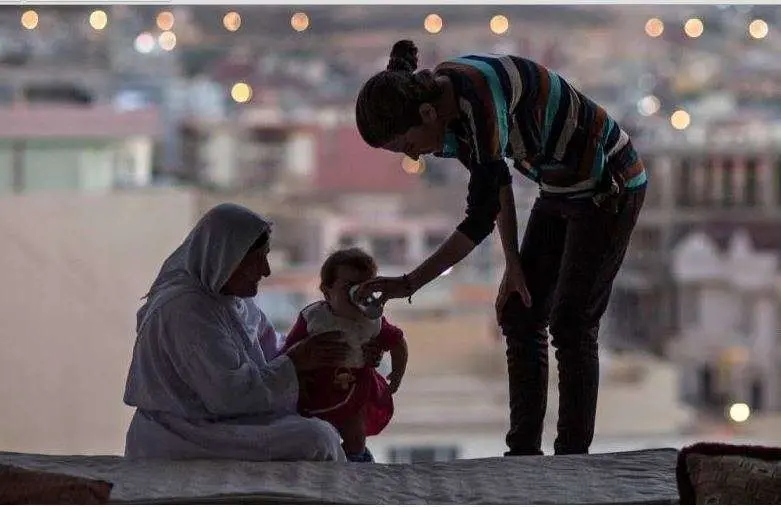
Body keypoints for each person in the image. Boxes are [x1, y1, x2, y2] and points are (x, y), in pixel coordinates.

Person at [354, 40, 647, 456]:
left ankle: (572, 457)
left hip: (608, 185)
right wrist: (512, 263)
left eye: (407, 144)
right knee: (520, 309)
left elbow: (478, 217)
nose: (415, 155)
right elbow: (498, 184)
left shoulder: (476, 96)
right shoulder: (445, 110)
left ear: (425, 114)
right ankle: (523, 452)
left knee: (572, 323)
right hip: (559, 185)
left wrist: (409, 283)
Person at [123, 203, 380, 462]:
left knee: (329, 417)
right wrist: (297, 361)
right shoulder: (185, 310)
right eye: (257, 259)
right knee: (316, 438)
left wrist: (346, 351)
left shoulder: (232, 300)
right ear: (227, 258)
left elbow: (274, 350)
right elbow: (229, 397)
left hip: (222, 421)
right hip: (182, 433)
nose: (266, 270)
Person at [281, 248, 408, 463]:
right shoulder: (314, 318)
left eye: (366, 287)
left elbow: (397, 342)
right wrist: (299, 376)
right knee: (311, 434)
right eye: (349, 287)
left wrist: (397, 373)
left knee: (355, 434)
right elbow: (290, 351)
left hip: (355, 390)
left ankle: (356, 464)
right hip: (315, 389)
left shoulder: (372, 321)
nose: (359, 294)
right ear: (327, 291)